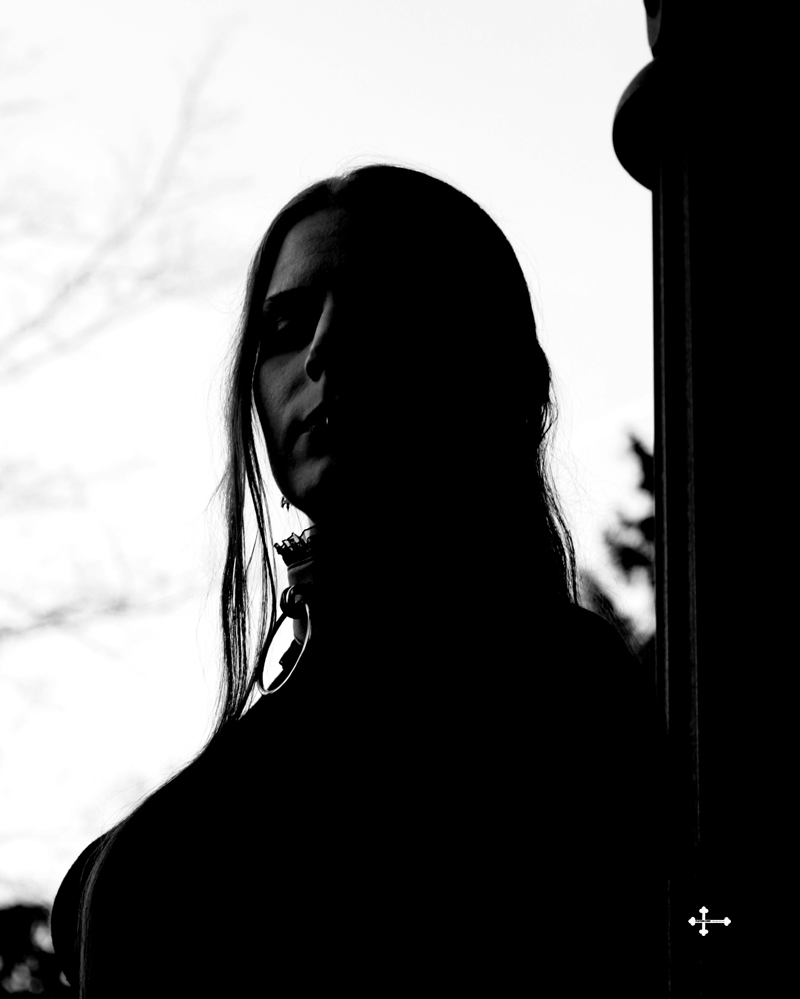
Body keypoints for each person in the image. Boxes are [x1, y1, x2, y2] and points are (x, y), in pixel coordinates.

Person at [51, 164, 666, 995]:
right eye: (284, 327)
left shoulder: (560, 696)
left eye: (385, 308)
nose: (323, 352)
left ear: (494, 370)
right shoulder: (308, 686)